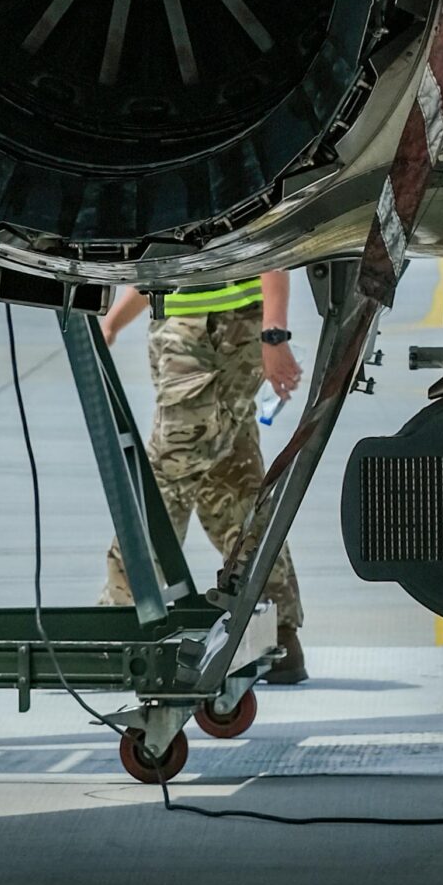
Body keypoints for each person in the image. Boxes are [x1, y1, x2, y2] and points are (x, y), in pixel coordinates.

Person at [99, 270, 308, 683]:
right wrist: (113, 323)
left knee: (164, 483)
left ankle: (118, 622)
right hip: (202, 333)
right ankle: (275, 627)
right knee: (231, 485)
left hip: (211, 337)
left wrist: (274, 334)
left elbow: (267, 248)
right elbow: (162, 260)